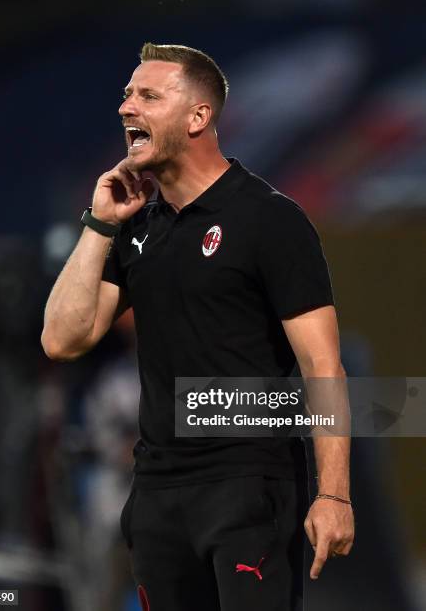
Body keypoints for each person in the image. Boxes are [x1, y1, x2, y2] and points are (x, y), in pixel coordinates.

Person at [42, 42, 355, 611]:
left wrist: (333, 492)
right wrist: (98, 225)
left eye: (148, 96)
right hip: (158, 493)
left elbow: (322, 365)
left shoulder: (269, 219)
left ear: (198, 117)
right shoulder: (138, 227)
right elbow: (62, 339)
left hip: (249, 487)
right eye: (126, 95)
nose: (126, 108)